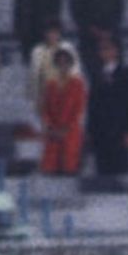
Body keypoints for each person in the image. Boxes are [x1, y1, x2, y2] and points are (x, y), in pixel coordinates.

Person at [87, 36, 128, 179]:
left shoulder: (126, 74)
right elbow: (92, 106)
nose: (105, 52)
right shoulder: (96, 75)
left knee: (121, 171)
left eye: (108, 48)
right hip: (100, 133)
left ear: (116, 51)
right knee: (102, 172)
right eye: (102, 49)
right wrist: (90, 131)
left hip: (119, 131)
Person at [70, 0, 124, 81]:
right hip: (89, 38)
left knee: (113, 75)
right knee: (92, 75)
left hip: (111, 37)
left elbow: (119, 10)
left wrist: (109, 31)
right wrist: (92, 29)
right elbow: (76, 11)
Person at [40, 46, 87, 175]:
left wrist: (66, 129)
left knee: (70, 166)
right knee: (50, 168)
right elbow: (46, 109)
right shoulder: (50, 85)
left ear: (70, 64)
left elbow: (79, 109)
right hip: (53, 133)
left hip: (70, 132)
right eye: (60, 63)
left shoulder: (78, 84)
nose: (63, 66)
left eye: (65, 62)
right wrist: (50, 127)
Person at [30, 19, 78, 117]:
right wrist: (36, 98)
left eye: (55, 32)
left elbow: (75, 72)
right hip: (45, 94)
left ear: (60, 33)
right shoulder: (38, 51)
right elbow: (34, 76)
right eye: (49, 32)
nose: (52, 36)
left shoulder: (68, 48)